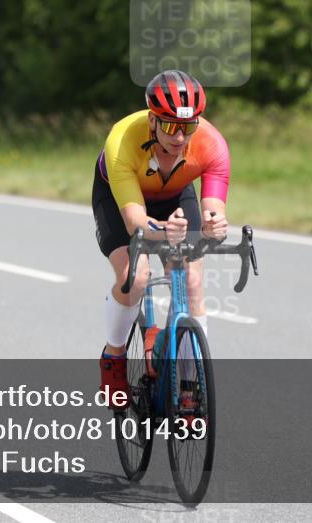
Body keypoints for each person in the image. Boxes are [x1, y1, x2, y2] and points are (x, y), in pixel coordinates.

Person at [93, 70, 230, 408]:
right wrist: (162, 231)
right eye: (170, 126)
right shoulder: (122, 139)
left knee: (192, 281)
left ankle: (188, 386)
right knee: (134, 277)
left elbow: (212, 208)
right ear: (152, 120)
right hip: (122, 197)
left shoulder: (212, 144)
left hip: (175, 195)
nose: (180, 137)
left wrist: (214, 226)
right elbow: (135, 221)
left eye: (188, 127)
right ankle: (113, 357)